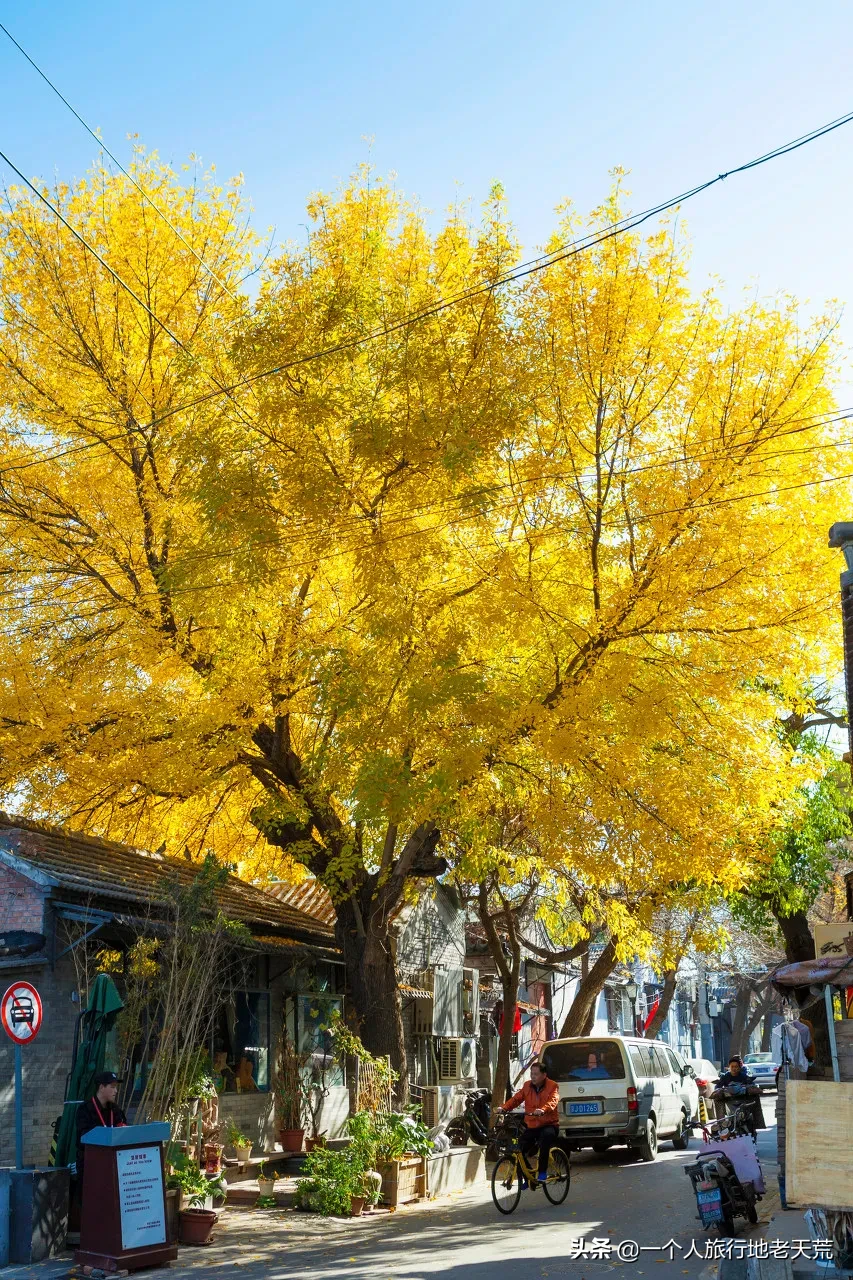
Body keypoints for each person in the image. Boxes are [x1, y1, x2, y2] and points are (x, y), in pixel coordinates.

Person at [496, 1060, 560, 1184]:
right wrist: (504, 1108)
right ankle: (528, 1177)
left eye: (536, 1074)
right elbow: (516, 1099)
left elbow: (553, 1100)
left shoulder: (552, 1086)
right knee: (518, 1149)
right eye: (532, 1074)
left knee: (545, 1140)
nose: (533, 1077)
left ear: (544, 1075)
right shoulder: (527, 1086)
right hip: (533, 1126)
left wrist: (543, 1109)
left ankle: (542, 1172)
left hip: (549, 1124)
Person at [711, 1056, 761, 1126]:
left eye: (736, 1066)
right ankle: (721, 1124)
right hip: (729, 1100)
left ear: (739, 1067)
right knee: (717, 1099)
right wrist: (718, 1091)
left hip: (743, 1100)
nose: (734, 1068)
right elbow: (718, 1086)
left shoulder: (744, 1076)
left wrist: (752, 1088)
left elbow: (752, 1084)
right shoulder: (725, 1077)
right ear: (729, 1067)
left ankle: (756, 1123)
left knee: (754, 1099)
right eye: (732, 1066)